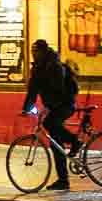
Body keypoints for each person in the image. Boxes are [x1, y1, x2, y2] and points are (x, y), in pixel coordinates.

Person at [23, 39, 81, 190]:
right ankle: (63, 180)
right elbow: (33, 90)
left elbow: (59, 89)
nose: (34, 54)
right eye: (32, 51)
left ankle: (75, 141)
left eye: (36, 51)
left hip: (65, 103)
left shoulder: (53, 66)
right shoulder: (38, 68)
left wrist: (50, 106)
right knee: (55, 143)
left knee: (49, 124)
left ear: (43, 51)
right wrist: (26, 108)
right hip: (55, 105)